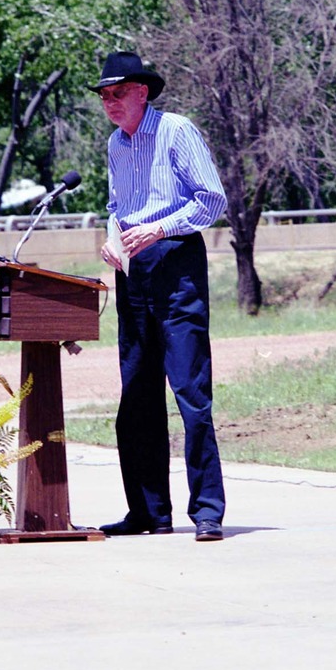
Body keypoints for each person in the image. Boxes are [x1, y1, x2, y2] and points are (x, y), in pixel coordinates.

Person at [88, 51, 227, 542]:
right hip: (133, 271)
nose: (110, 102)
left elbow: (212, 200)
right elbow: (116, 206)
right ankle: (148, 512)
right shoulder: (115, 144)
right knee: (137, 396)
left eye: (119, 93)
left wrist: (159, 229)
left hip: (176, 263)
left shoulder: (176, 131)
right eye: (104, 96)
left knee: (191, 392)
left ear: (142, 92)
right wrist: (112, 239)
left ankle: (207, 511)